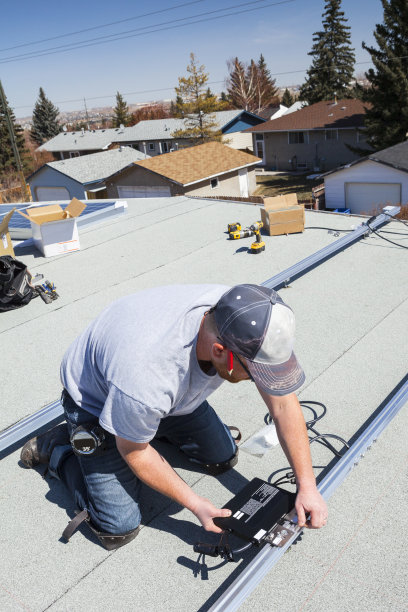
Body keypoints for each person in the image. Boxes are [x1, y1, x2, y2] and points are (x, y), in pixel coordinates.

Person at [21, 283, 327, 550]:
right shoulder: (148, 375)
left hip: (162, 400)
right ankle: (60, 448)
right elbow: (135, 451)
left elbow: (284, 405)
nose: (258, 382)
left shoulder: (245, 310)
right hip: (96, 405)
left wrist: (308, 486)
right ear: (221, 351)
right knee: (117, 527)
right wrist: (196, 505)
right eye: (253, 374)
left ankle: (148, 424)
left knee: (222, 457)